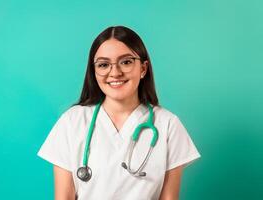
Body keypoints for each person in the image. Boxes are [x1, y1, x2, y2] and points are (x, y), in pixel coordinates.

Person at [37, 25, 201, 200]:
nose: (114, 73)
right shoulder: (72, 121)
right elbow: (64, 197)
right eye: (104, 64)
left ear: (143, 68)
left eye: (126, 62)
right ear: (95, 71)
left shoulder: (168, 125)